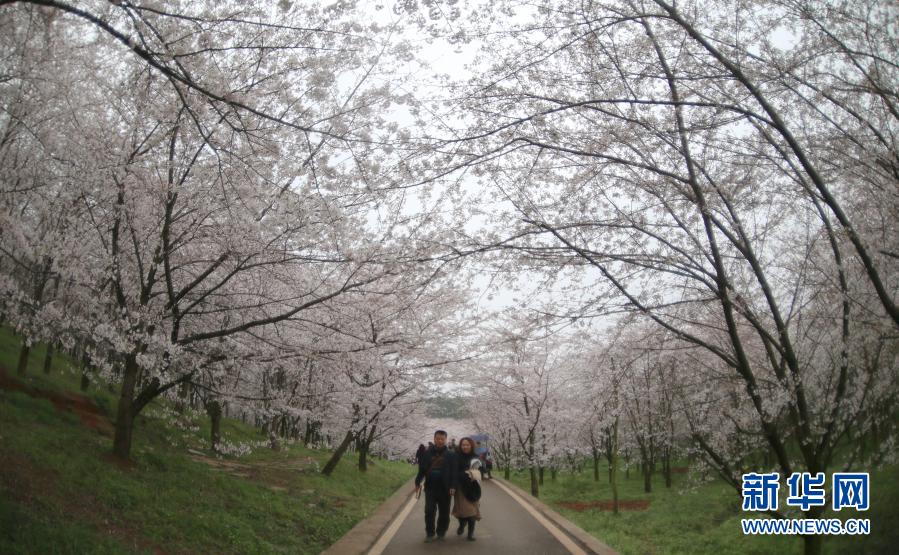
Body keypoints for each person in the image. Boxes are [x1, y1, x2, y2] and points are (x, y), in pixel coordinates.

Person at [415, 430, 457, 542]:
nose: (440, 441)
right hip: (430, 487)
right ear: (434, 439)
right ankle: (430, 533)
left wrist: (453, 486)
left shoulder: (451, 454)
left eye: (442, 439)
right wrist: (417, 482)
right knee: (429, 511)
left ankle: (441, 532)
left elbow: (454, 472)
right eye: (438, 438)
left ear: (445, 440)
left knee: (444, 512)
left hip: (445, 488)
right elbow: (422, 469)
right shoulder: (427, 453)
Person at [452, 437, 482, 541]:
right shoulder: (456, 457)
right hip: (460, 487)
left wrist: (477, 472)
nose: (465, 447)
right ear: (460, 446)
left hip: (473, 487)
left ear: (471, 446)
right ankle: (462, 524)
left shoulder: (476, 457)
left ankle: (471, 532)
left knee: (472, 510)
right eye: (463, 445)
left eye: (467, 445)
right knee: (462, 511)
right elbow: (453, 472)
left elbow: (482, 470)